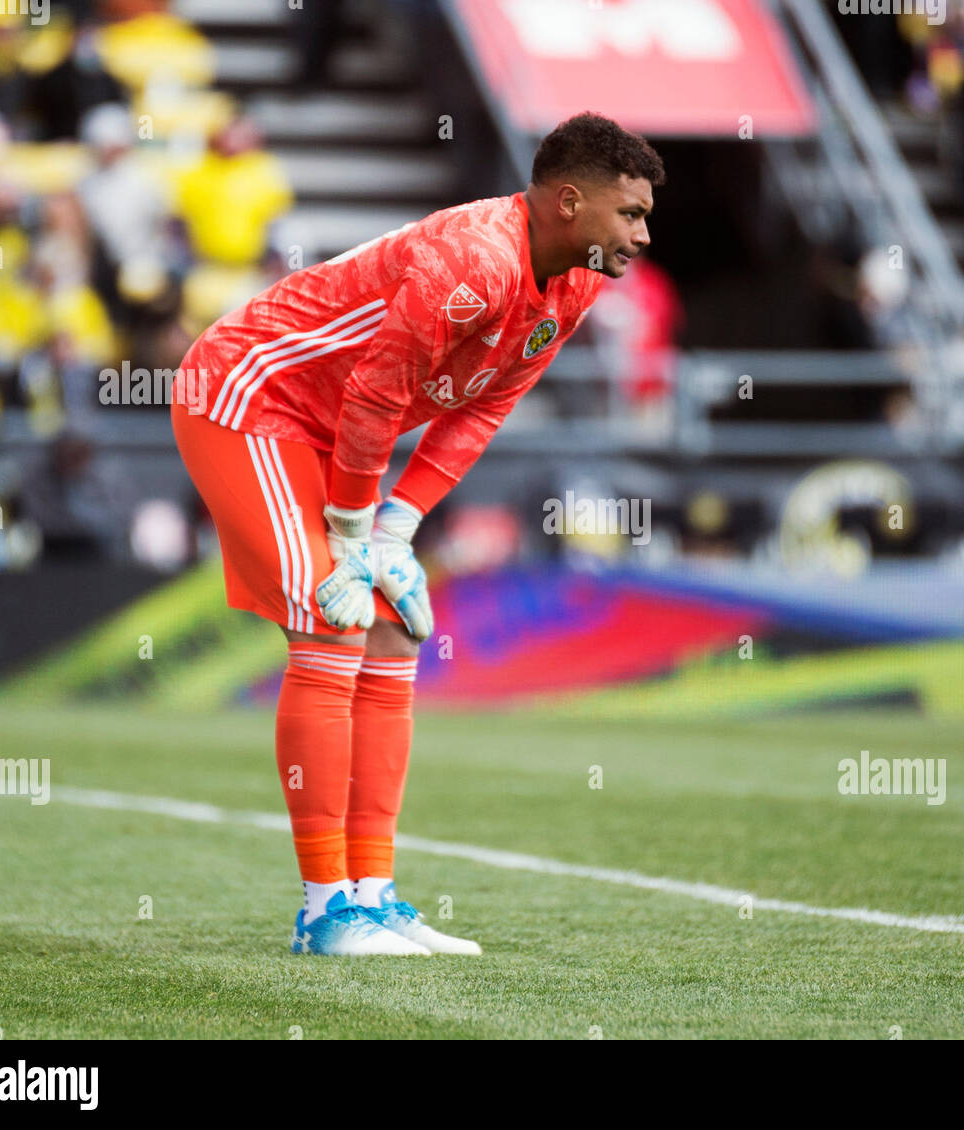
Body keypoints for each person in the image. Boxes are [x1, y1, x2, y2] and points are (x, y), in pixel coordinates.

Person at [169, 112, 664, 956]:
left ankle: (373, 892)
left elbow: (485, 406)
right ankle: (327, 912)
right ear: (571, 202)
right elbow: (373, 397)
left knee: (394, 627)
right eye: (630, 214)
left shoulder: (574, 283)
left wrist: (397, 527)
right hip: (249, 400)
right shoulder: (474, 261)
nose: (643, 236)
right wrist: (354, 532)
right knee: (332, 620)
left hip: (326, 431)